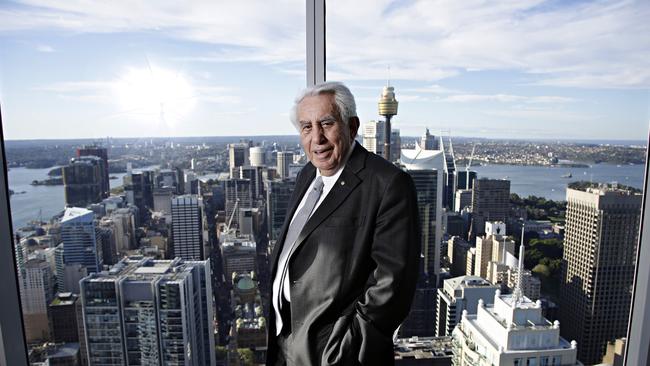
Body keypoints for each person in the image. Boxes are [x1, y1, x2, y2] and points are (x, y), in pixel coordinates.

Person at [266, 81, 420, 366]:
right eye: (306, 127)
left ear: (352, 126)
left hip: (335, 356)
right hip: (285, 347)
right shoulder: (306, 176)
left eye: (326, 123)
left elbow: (392, 289)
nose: (317, 138)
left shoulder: (388, 184)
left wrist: (342, 353)